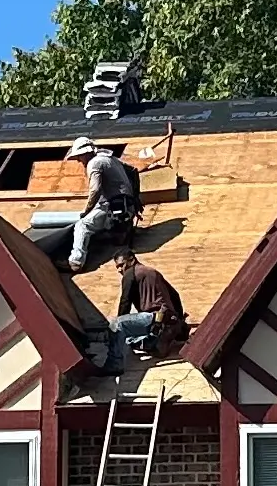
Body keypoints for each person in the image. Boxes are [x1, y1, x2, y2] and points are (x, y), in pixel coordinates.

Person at [95, 251, 187, 371]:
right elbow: (175, 295)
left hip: (155, 318)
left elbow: (125, 302)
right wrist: (179, 322)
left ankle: (114, 365)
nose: (119, 270)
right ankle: (156, 341)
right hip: (167, 321)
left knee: (117, 325)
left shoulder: (130, 273)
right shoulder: (153, 272)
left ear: (132, 260)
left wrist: (119, 322)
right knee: (127, 336)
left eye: (121, 265)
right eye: (117, 267)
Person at [66, 140, 142, 273]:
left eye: (79, 156)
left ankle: (76, 262)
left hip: (114, 207)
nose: (79, 160)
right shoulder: (110, 158)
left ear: (87, 153)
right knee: (96, 219)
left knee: (82, 225)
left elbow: (95, 190)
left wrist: (87, 211)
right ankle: (120, 230)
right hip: (126, 205)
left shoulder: (94, 163)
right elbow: (133, 172)